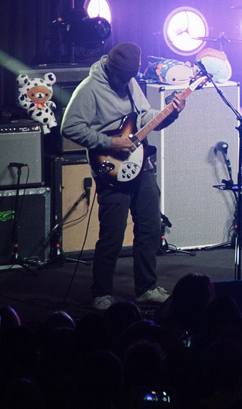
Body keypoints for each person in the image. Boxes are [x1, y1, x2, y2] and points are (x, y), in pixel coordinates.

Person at [61, 42, 185, 310]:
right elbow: (69, 127)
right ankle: (101, 292)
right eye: (122, 76)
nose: (126, 81)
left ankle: (146, 288)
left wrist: (170, 114)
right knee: (113, 235)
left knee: (150, 227)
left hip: (142, 165)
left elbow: (143, 118)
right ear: (111, 68)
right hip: (110, 168)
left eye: (131, 76)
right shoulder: (89, 89)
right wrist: (110, 143)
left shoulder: (129, 82)